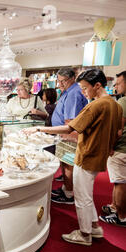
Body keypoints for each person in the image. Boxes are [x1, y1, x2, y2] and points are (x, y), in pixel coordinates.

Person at [23, 69, 123, 246]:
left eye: (85, 88)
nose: (83, 93)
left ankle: (84, 234)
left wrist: (39, 129)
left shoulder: (96, 105)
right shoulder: (115, 105)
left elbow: (70, 128)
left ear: (97, 85)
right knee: (86, 193)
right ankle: (94, 227)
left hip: (87, 154)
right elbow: (117, 132)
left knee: (81, 196)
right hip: (98, 154)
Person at [51, 67, 88, 204]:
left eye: (63, 81)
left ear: (73, 78)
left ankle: (68, 194)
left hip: (68, 137)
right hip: (64, 136)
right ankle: (66, 188)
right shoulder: (68, 91)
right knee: (65, 163)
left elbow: (70, 122)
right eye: (58, 81)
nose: (60, 84)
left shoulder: (73, 93)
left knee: (68, 165)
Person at [100, 70, 126, 227]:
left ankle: (121, 216)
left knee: (119, 182)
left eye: (119, 82)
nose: (115, 85)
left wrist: (109, 146)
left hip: (121, 149)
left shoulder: (123, 102)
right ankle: (115, 207)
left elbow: (118, 129)